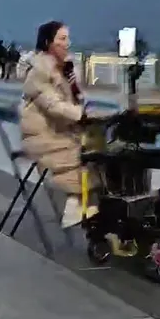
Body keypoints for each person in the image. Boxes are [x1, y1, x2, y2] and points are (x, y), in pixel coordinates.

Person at [19, 21, 98, 229]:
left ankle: (89, 208)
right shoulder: (39, 71)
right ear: (48, 43)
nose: (67, 43)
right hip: (44, 135)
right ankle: (76, 208)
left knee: (101, 151)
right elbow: (53, 105)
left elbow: (76, 100)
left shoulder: (66, 69)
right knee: (85, 157)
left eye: (67, 38)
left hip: (62, 129)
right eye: (62, 39)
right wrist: (80, 114)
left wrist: (85, 110)